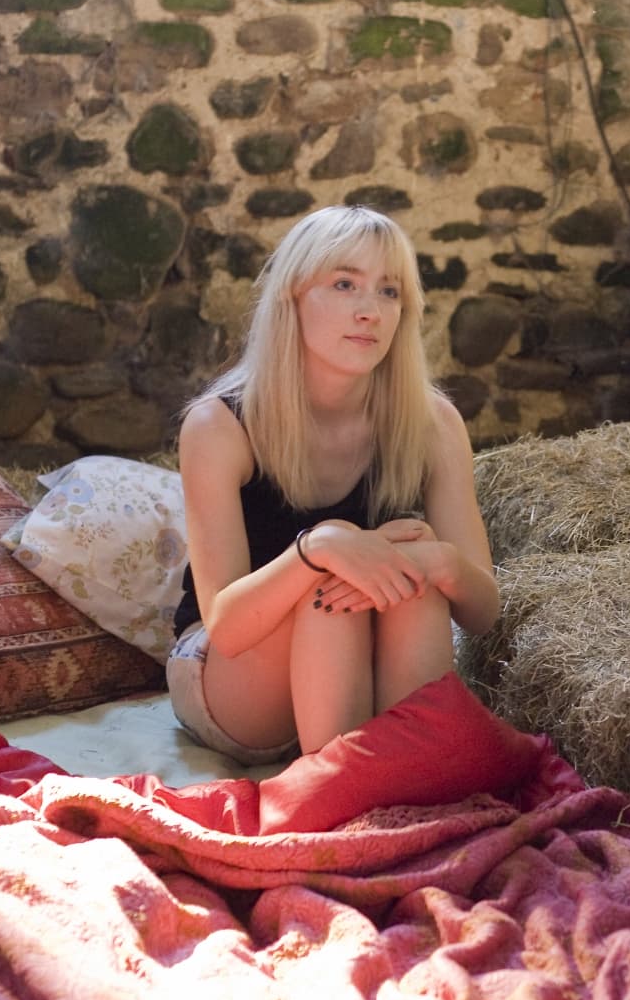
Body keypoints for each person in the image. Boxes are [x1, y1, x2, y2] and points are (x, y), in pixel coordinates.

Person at [167, 205, 499, 762]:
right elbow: (225, 627)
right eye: (344, 284)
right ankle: (341, 793)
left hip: (362, 662)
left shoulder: (433, 423)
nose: (369, 311)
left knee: (413, 581)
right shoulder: (218, 425)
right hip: (234, 674)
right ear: (291, 298)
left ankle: (411, 780)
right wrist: (319, 549)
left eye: (389, 291)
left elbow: (483, 612)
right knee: (329, 587)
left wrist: (439, 562)